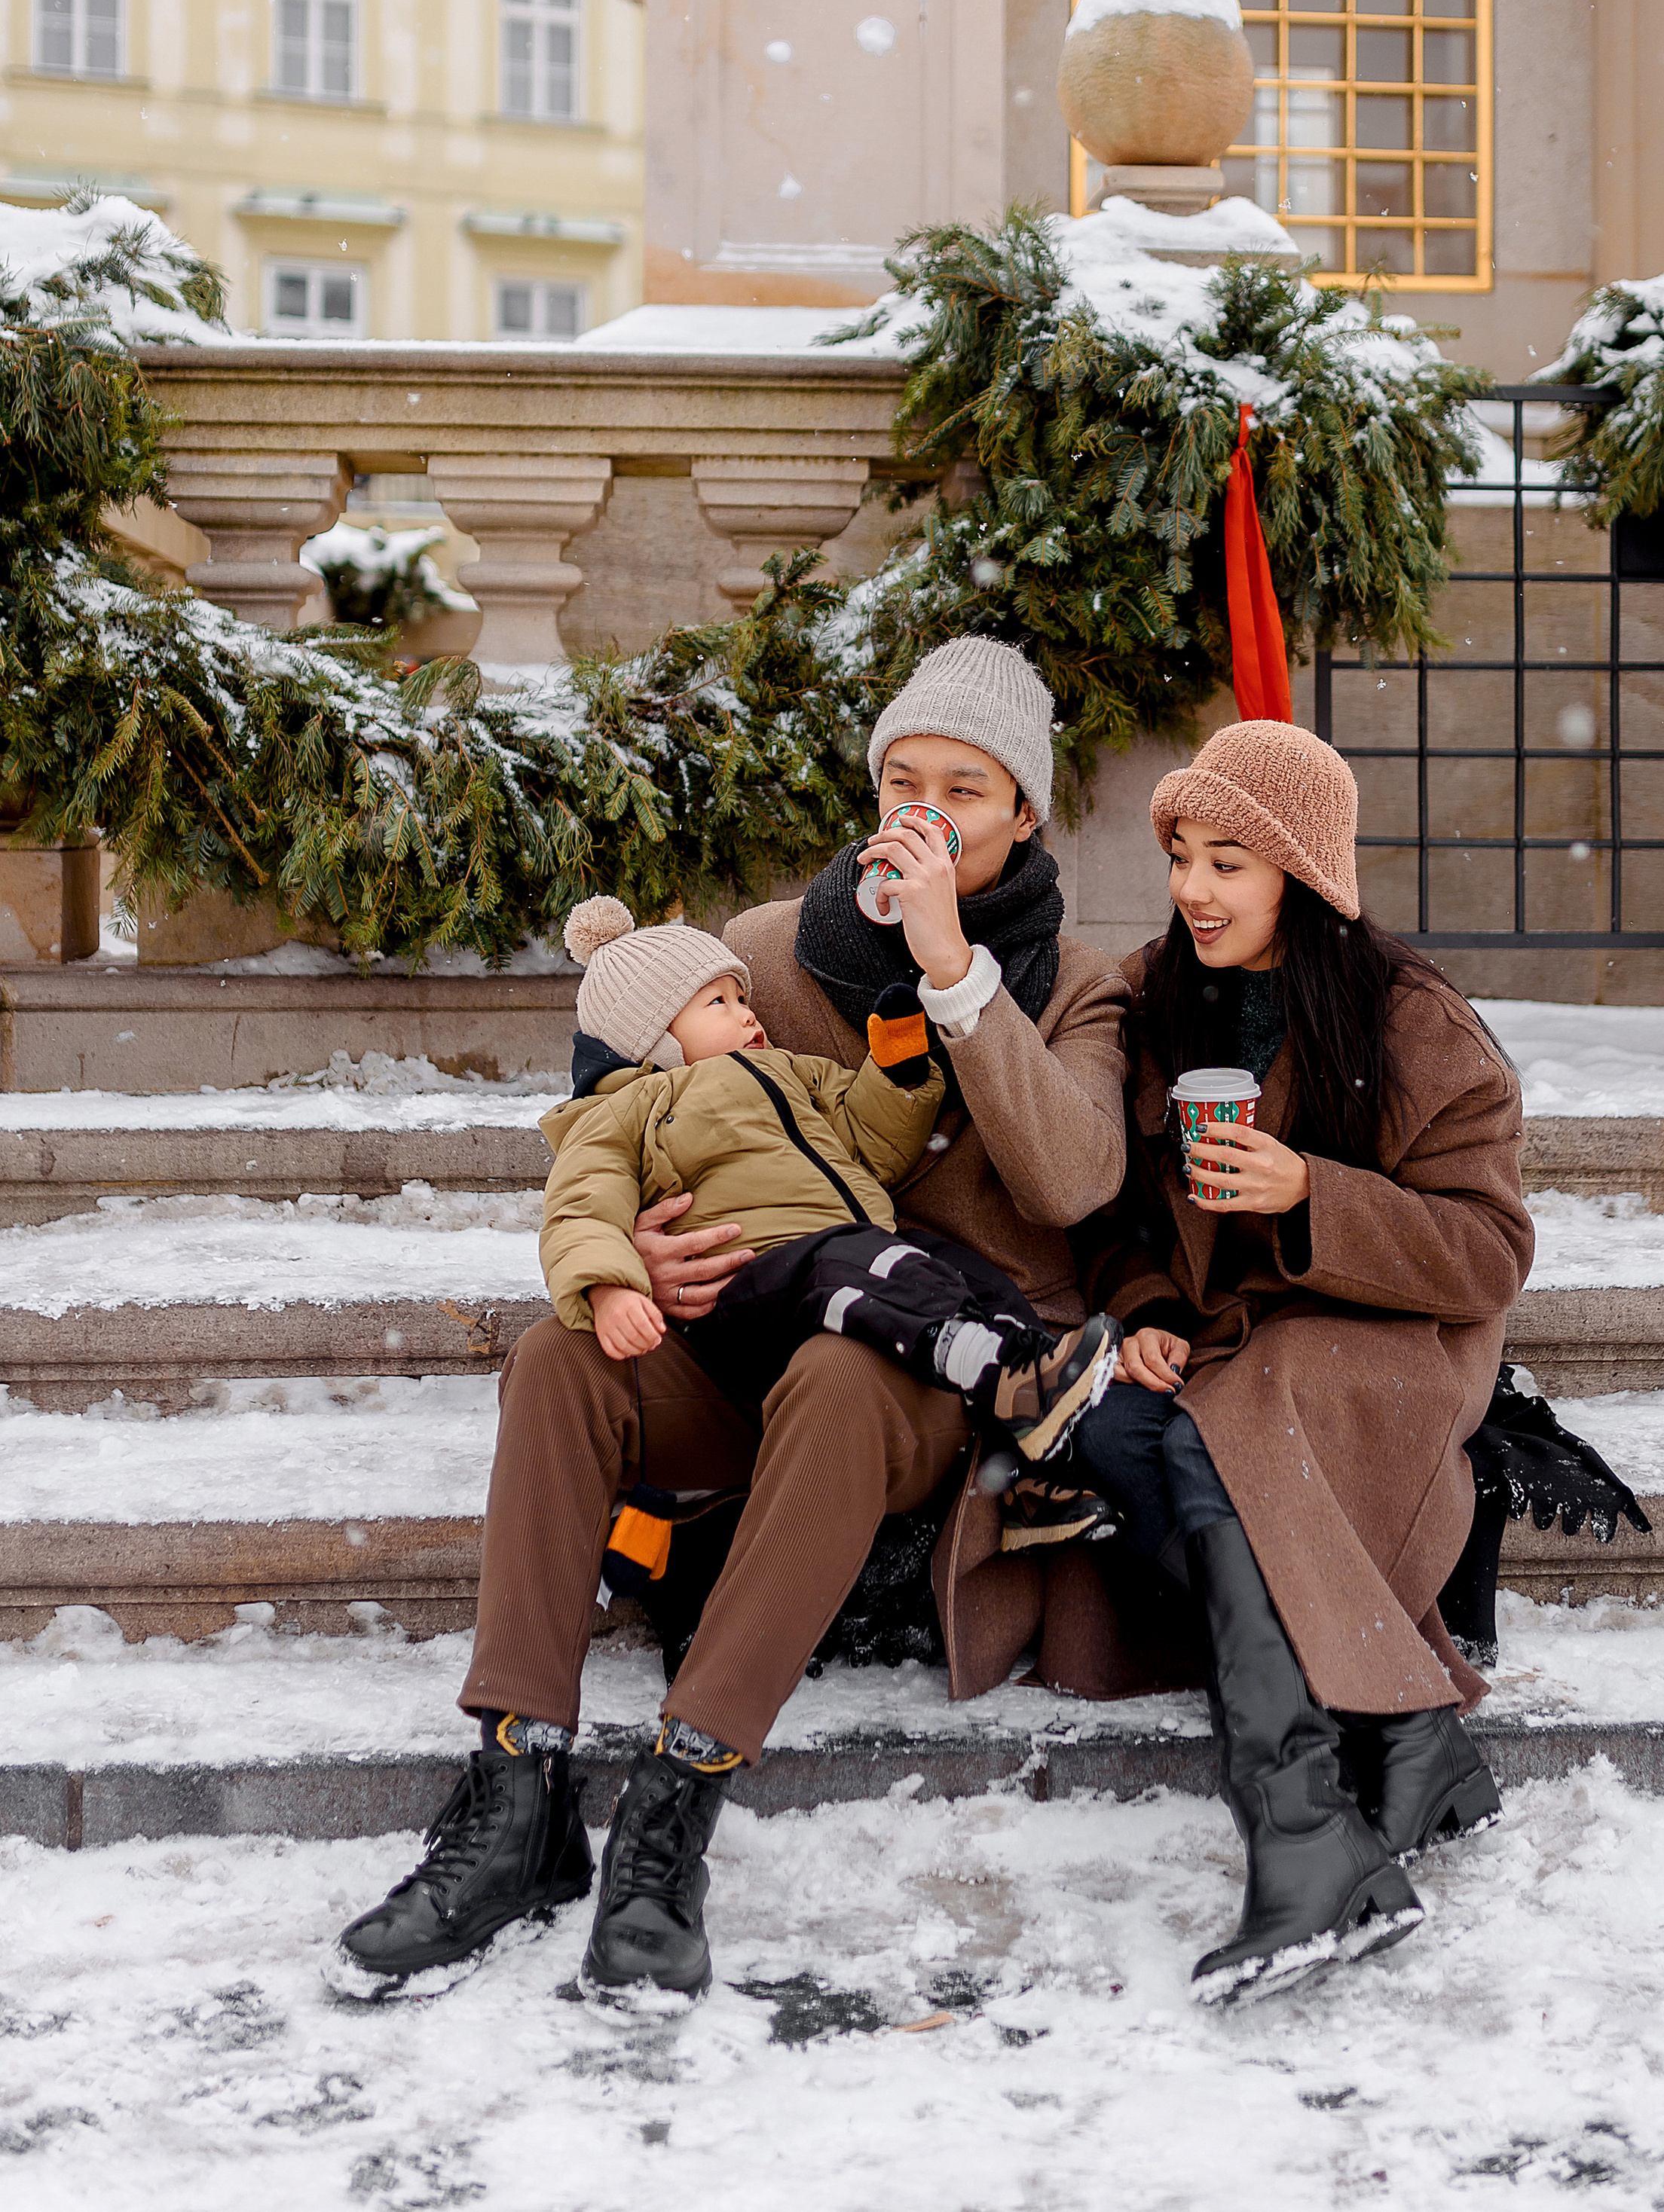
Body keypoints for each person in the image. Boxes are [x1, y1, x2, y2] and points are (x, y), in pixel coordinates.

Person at [332, 637, 1130, 2003]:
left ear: (1022, 813)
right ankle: (517, 1784)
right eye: (901, 778)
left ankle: (675, 1798)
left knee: (834, 1370)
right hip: (738, 1326)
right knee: (559, 1355)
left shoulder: (1079, 981)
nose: (921, 809)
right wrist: (636, 1245)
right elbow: (624, 1116)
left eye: (963, 785)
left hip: (931, 1362)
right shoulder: (763, 952)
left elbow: (1074, 1177)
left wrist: (952, 970)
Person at [1059, 717, 1534, 2007]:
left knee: (1226, 1427)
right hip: (1234, 1346)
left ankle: (1307, 1829)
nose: (1193, 889)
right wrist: (1149, 1297)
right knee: (1128, 1428)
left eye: (1229, 861)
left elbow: (1489, 1251)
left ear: (1305, 876)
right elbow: (1115, 1218)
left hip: (1396, 1342)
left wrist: (1311, 1189)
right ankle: (1411, 1736)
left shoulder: (1413, 1020)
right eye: (1182, 857)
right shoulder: (1158, 996)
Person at [534, 906, 1120, 1463]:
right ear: (654, 1037)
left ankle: (1034, 1379)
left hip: (843, 1254)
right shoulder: (625, 1112)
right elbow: (581, 1208)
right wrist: (608, 1289)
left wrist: (894, 1071)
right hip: (750, 1283)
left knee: (960, 1267)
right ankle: (969, 1357)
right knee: (846, 1260)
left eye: (744, 997)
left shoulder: (790, 1072)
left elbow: (870, 1141)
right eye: (718, 1002)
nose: (746, 1014)